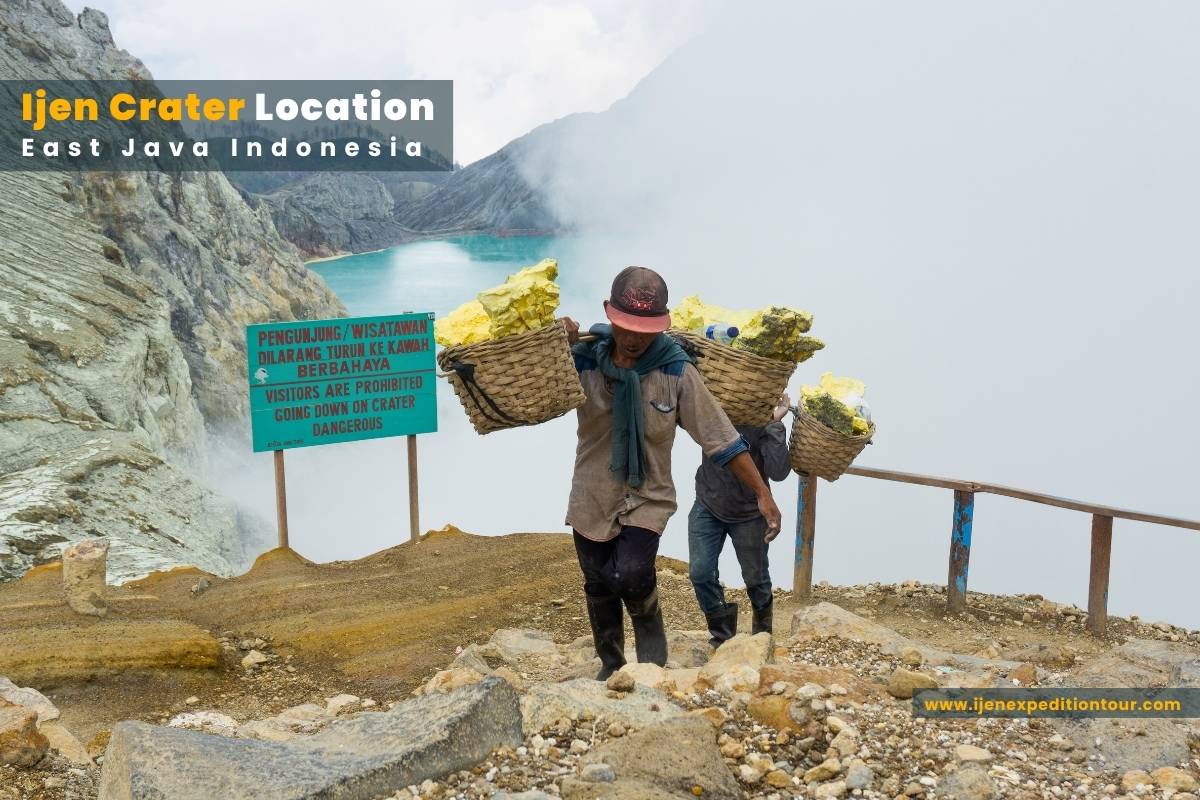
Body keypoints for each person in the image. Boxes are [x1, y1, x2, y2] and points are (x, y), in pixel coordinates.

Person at [563, 266, 783, 680]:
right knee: (597, 580)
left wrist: (762, 495)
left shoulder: (676, 371)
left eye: (645, 330)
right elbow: (533, 393)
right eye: (626, 327)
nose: (634, 338)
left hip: (648, 495)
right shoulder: (582, 361)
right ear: (608, 315)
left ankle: (652, 660)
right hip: (592, 491)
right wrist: (554, 342)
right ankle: (611, 665)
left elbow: (721, 438)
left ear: (661, 326)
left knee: (631, 573)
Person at [688, 395, 792, 648]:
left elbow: (779, 472)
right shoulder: (717, 408)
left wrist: (774, 425)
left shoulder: (764, 422)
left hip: (749, 512)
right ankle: (722, 635)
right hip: (708, 503)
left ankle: (762, 635)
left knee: (756, 577)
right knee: (701, 572)